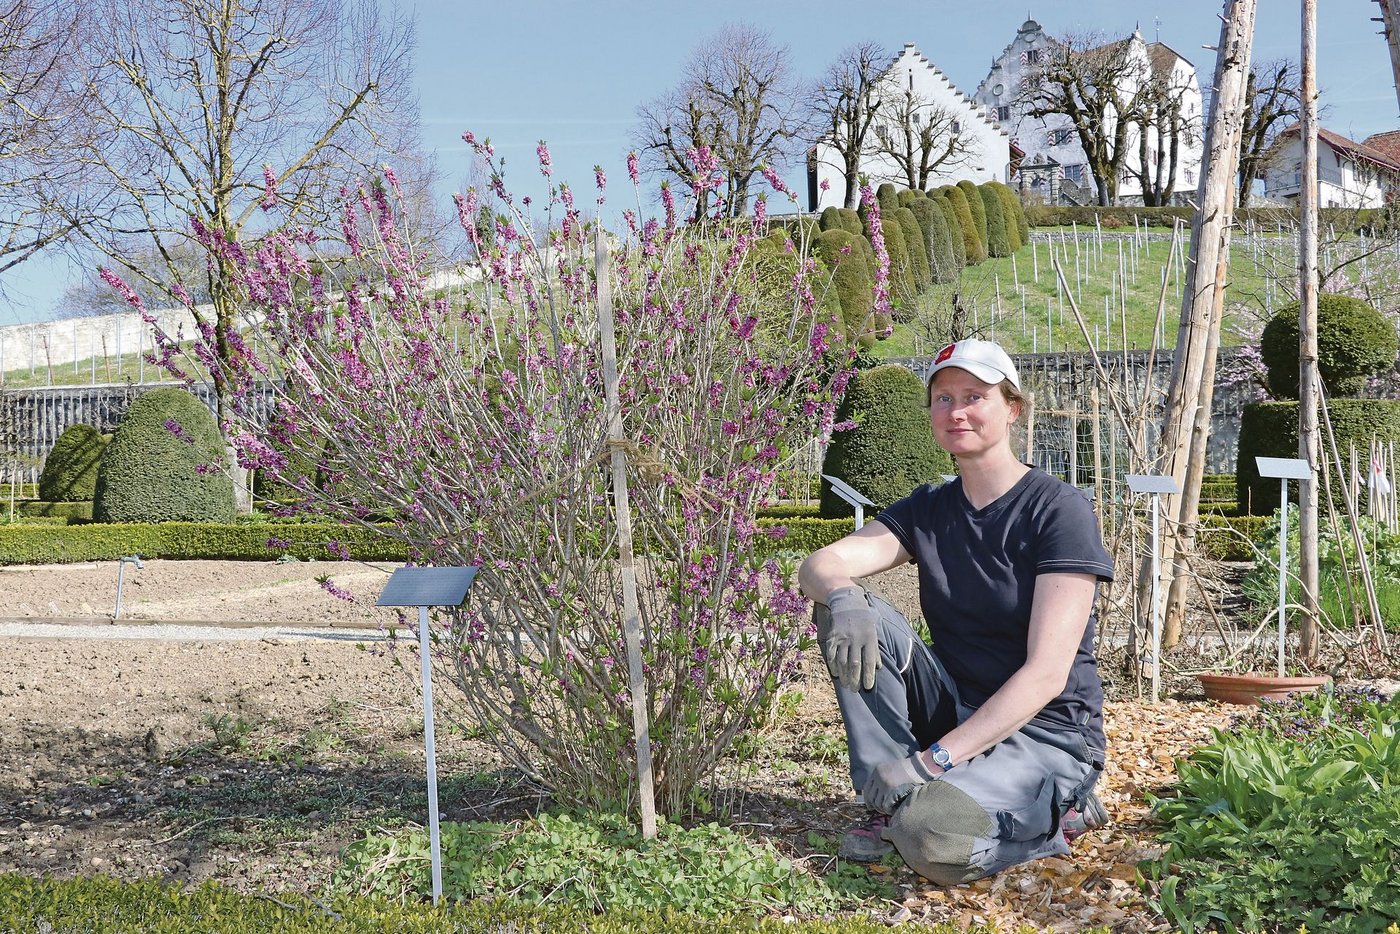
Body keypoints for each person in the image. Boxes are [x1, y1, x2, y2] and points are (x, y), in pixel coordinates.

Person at [798, 338, 1113, 885]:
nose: (956, 411)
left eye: (974, 396)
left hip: (1046, 733)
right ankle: (889, 798)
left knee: (931, 838)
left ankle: (1059, 810)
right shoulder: (930, 507)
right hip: (956, 709)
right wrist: (843, 598)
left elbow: (1046, 674)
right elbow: (819, 565)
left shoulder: (1057, 510)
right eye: (943, 398)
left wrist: (930, 762)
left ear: (1012, 408)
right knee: (846, 609)